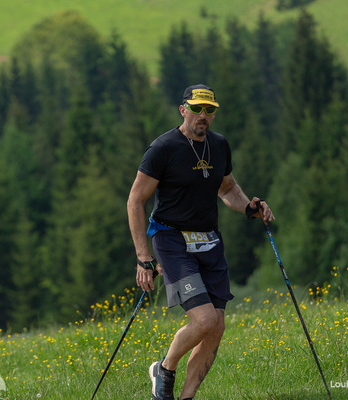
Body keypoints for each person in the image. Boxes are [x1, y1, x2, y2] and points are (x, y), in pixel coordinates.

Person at [127, 84, 275, 400]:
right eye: (196, 109)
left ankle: (186, 396)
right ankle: (164, 369)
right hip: (171, 240)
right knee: (204, 319)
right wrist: (143, 257)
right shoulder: (163, 148)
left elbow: (227, 188)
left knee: (216, 326)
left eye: (209, 110)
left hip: (209, 240)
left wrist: (249, 207)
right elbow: (135, 200)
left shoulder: (219, 145)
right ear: (183, 110)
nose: (203, 115)